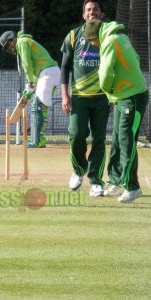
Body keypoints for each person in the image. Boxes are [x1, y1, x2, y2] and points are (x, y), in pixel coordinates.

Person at [84, 19, 149, 202]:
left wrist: (109, 91)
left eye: (93, 42)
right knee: (119, 139)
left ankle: (132, 186)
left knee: (126, 140)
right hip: (124, 97)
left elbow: (104, 75)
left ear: (96, 36)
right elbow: (136, 58)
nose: (94, 45)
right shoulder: (121, 36)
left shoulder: (109, 41)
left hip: (133, 98)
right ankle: (117, 181)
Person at [60, 0, 110, 197]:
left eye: (95, 9)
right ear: (83, 15)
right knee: (76, 135)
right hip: (79, 98)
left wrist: (114, 96)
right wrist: (65, 95)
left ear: (102, 14)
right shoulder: (73, 36)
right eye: (88, 10)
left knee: (99, 139)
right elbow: (64, 67)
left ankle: (96, 181)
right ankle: (79, 170)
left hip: (102, 97)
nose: (92, 12)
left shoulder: (109, 36)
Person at [0, 30, 60, 148]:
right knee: (42, 107)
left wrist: (31, 81)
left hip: (47, 72)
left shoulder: (21, 42)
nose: (9, 48)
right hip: (50, 72)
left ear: (12, 39)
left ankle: (36, 141)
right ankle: (40, 139)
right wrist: (31, 87)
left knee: (37, 105)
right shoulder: (25, 41)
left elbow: (27, 63)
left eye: (8, 45)